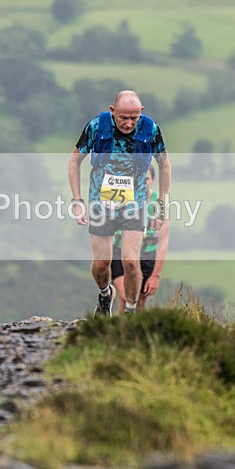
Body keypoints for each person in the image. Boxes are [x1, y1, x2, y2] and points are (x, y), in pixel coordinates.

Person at [68, 90, 171, 315]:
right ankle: (105, 294)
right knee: (101, 264)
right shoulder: (97, 126)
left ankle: (130, 310)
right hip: (101, 202)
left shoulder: (150, 129)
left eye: (134, 118)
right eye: (123, 117)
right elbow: (75, 161)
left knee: (131, 262)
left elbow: (164, 165)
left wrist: (161, 204)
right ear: (113, 111)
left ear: (141, 113)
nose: (128, 123)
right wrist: (77, 200)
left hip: (134, 203)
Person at [111, 165, 170, 313]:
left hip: (147, 253)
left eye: (146, 179)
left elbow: (163, 242)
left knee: (141, 300)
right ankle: (118, 330)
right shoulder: (122, 199)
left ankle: (135, 331)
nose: (143, 183)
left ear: (153, 180)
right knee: (125, 297)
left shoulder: (159, 204)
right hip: (121, 251)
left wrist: (156, 275)